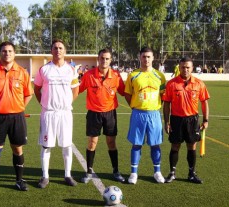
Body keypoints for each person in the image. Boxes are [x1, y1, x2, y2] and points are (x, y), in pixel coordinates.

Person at [0, 41, 33, 195]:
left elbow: (29, 94)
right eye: (4, 51)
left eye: (10, 51)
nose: (7, 53)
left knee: (17, 148)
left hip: (17, 117)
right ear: (0, 53)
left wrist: (20, 107)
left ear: (14, 53)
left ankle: (19, 180)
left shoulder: (22, 72)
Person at [34, 38, 79, 188]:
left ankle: (67, 174)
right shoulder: (44, 69)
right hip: (49, 113)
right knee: (46, 146)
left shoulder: (71, 70)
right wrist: (44, 103)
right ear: (51, 51)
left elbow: (75, 89)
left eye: (60, 48)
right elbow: (36, 89)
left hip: (65, 113)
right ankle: (45, 176)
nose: (58, 50)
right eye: (55, 48)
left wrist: (67, 103)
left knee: (67, 145)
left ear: (65, 51)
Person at [79, 48, 125, 184]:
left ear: (110, 60)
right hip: (93, 114)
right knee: (92, 143)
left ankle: (116, 171)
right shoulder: (89, 75)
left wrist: (135, 105)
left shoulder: (116, 76)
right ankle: (89, 171)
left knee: (111, 142)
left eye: (107, 59)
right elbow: (78, 90)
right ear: (98, 59)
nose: (104, 61)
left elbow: (124, 92)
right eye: (101, 58)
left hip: (110, 113)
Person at [162, 56, 210, 184]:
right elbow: (166, 104)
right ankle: (172, 173)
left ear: (192, 68)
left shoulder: (199, 83)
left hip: (192, 120)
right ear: (179, 67)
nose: (185, 70)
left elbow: (204, 103)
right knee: (175, 146)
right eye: (183, 67)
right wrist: (166, 122)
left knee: (191, 146)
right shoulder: (171, 83)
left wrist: (206, 120)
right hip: (176, 119)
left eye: (188, 67)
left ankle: (191, 173)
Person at [124, 47, 166, 184]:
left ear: (153, 58)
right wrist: (136, 106)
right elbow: (127, 94)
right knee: (136, 144)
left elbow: (163, 95)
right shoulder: (133, 75)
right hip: (138, 114)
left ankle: (157, 172)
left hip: (154, 114)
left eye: (148, 57)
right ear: (139, 57)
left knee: (155, 144)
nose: (146, 59)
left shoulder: (160, 76)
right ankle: (133, 173)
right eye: (143, 57)